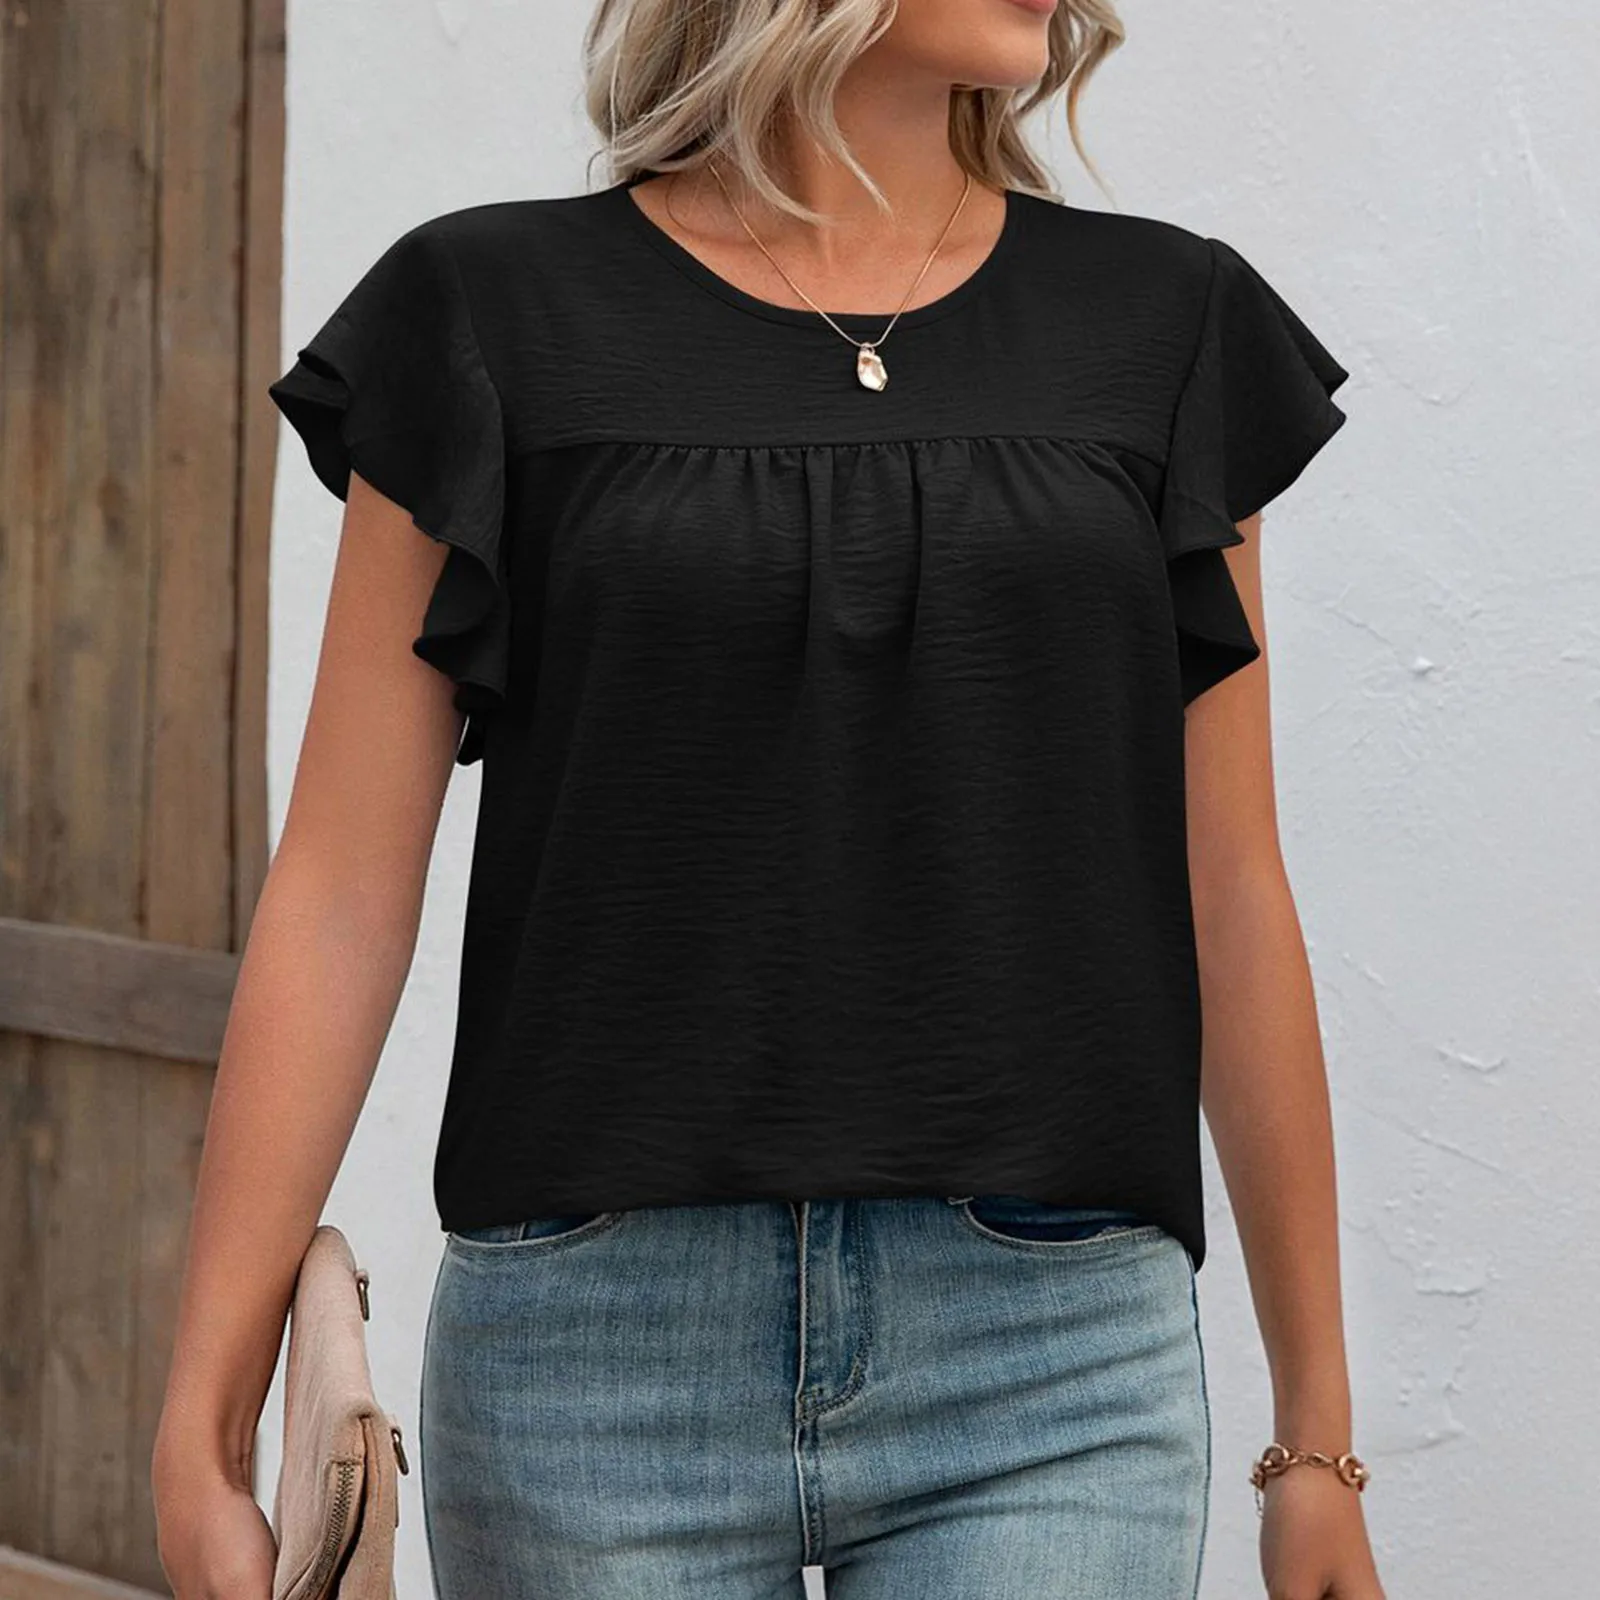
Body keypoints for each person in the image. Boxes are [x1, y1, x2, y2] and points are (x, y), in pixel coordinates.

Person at [153, 2, 1385, 1596]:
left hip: (1053, 1365)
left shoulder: (1167, 325)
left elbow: (1230, 886)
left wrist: (1317, 1439)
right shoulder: (485, 311)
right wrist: (203, 1424)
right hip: (591, 1365)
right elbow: (338, 892)